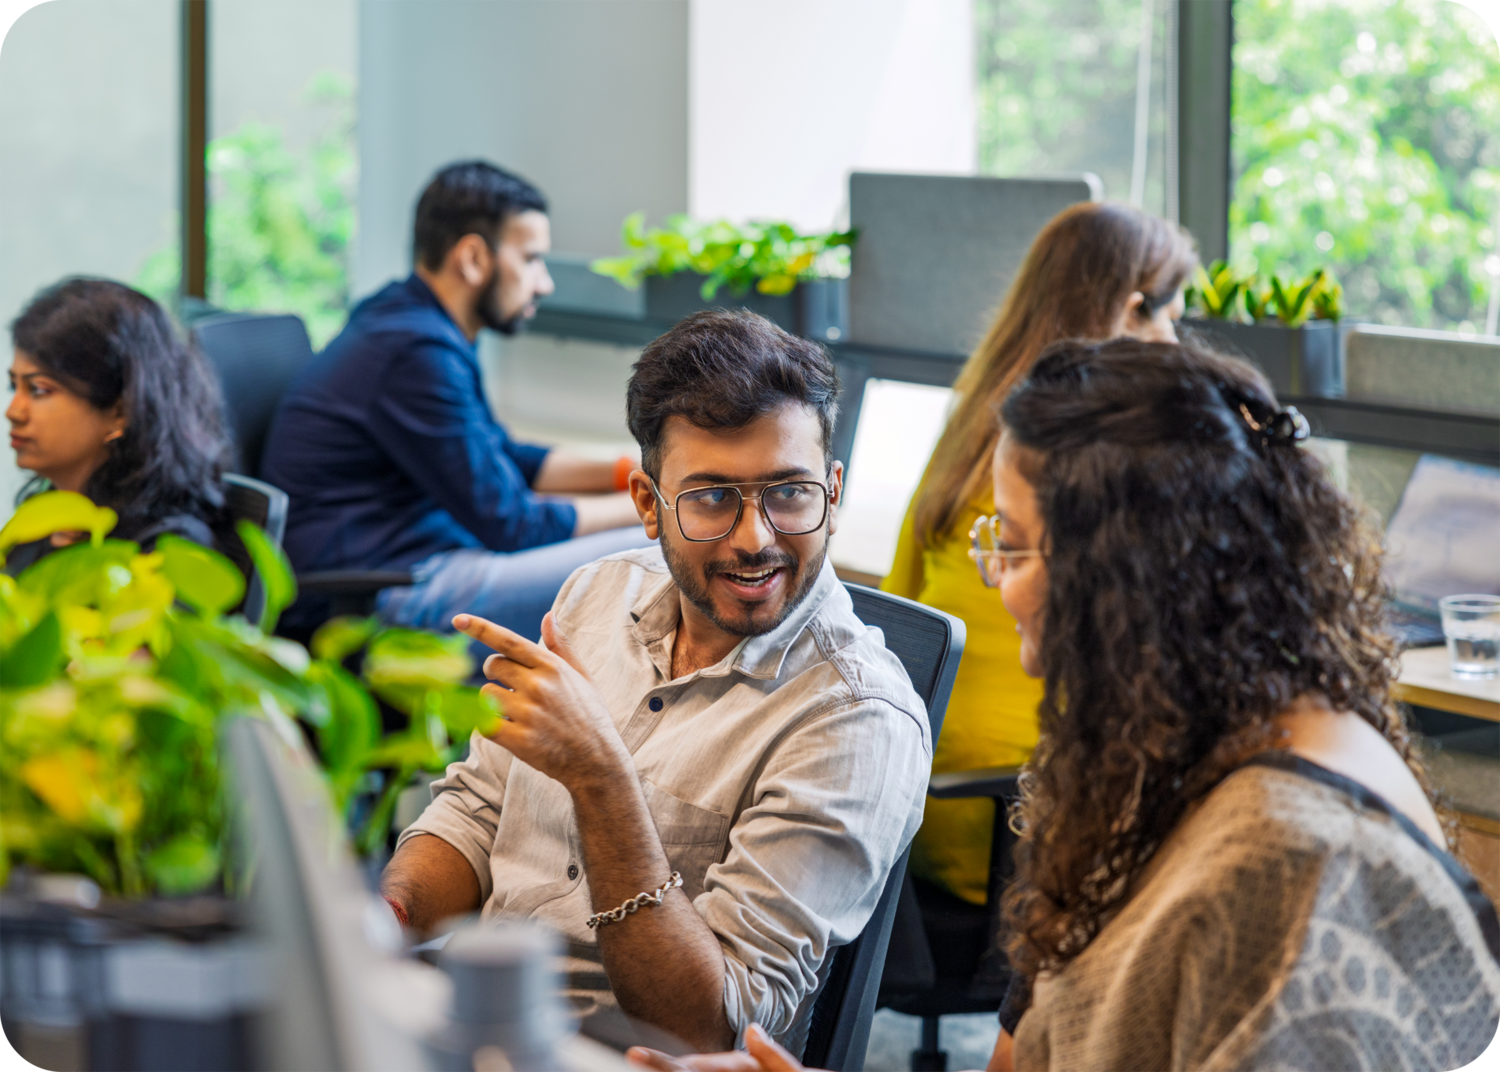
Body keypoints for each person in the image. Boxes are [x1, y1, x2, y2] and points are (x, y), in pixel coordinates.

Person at [640, 338, 1500, 1072]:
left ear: (1112, 568)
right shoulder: (1162, 745)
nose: (996, 581)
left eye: (1010, 545)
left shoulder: (1296, 861)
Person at [380, 310, 930, 1053]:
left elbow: (715, 1031)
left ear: (832, 491)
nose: (755, 537)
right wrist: (388, 920)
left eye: (790, 493)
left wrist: (602, 782)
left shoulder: (855, 718)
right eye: (710, 498)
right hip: (474, 1013)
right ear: (648, 504)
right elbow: (479, 811)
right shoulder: (596, 597)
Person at [882, 201, 1197, 910]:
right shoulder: (1100, 453)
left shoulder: (971, 421)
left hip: (917, 814)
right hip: (1019, 833)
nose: (1173, 341)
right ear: (1128, 307)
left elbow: (898, 608)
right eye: (1166, 314)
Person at [261, 160, 648, 639]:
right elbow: (512, 524)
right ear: (472, 259)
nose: (543, 283)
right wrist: (653, 500)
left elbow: (500, 455)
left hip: (418, 563)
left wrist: (628, 471)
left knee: (652, 540)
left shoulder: (410, 322)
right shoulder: (414, 351)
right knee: (654, 552)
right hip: (381, 594)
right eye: (530, 259)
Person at [5, 278, 237, 572]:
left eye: (39, 390)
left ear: (120, 412)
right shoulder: (40, 518)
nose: (13, 412)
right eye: (14, 387)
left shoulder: (167, 547)